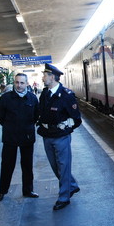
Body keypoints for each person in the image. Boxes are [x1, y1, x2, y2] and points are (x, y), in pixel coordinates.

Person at [37, 63, 82, 210]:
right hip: (46, 135)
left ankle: (64, 197)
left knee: (63, 166)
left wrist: (66, 127)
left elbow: (76, 118)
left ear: (52, 77)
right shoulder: (44, 94)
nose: (43, 77)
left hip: (61, 136)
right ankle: (72, 185)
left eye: (45, 75)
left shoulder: (67, 95)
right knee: (55, 166)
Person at [0, 73, 39, 202]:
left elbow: (36, 116)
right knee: (7, 165)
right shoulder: (5, 98)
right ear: (14, 83)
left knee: (27, 165)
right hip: (10, 137)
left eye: (22, 83)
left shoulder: (32, 99)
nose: (19, 85)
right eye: (17, 82)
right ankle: (2, 190)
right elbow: (0, 117)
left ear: (27, 83)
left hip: (27, 137)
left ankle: (28, 190)